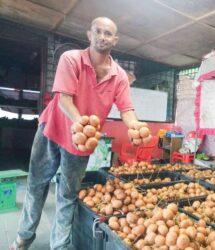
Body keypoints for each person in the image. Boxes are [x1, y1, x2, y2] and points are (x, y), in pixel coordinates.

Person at [11, 17, 147, 250]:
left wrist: (135, 125)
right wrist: (82, 124)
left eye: (108, 33)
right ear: (89, 34)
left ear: (115, 40)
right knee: (36, 186)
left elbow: (126, 109)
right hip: (52, 129)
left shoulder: (119, 76)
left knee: (67, 194)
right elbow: (64, 98)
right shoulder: (71, 58)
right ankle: (24, 237)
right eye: (98, 31)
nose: (102, 36)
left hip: (81, 144)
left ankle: (60, 246)